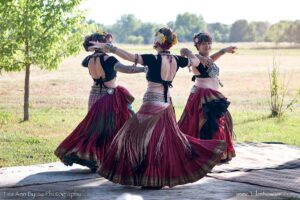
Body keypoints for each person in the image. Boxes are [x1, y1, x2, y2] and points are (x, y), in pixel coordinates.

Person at [90, 27, 225, 188]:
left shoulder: (151, 59)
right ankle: (155, 178)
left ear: (159, 42)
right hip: (166, 104)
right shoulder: (176, 60)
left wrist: (111, 48)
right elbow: (195, 61)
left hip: (151, 104)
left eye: (156, 37)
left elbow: (130, 56)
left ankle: (149, 176)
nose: (154, 40)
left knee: (132, 137)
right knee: (162, 142)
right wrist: (188, 53)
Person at [55, 32, 147, 172]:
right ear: (101, 43)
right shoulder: (109, 60)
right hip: (108, 97)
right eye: (108, 43)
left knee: (94, 129)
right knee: (112, 129)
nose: (110, 47)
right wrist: (143, 69)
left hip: (94, 96)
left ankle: (97, 160)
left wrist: (94, 50)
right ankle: (108, 160)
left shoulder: (88, 59)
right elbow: (125, 69)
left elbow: (82, 63)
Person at [178, 32, 236, 162]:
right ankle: (208, 154)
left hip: (213, 97)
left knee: (218, 124)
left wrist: (223, 51)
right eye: (203, 43)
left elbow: (211, 59)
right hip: (203, 98)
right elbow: (183, 50)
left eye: (209, 43)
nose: (207, 46)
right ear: (197, 45)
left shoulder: (207, 59)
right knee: (208, 126)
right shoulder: (195, 60)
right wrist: (196, 55)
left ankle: (216, 153)